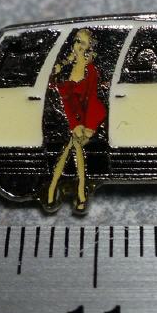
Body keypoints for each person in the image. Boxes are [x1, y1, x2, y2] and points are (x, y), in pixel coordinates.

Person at [45, 28, 106, 212]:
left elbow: (92, 99)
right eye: (77, 40)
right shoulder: (65, 68)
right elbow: (56, 93)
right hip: (65, 120)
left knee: (71, 151)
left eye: (83, 42)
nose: (78, 45)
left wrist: (89, 126)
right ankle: (79, 196)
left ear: (89, 48)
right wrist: (57, 71)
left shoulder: (91, 71)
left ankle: (54, 192)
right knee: (71, 151)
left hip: (83, 122)